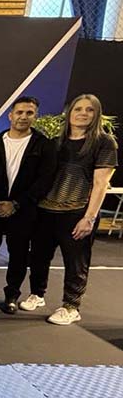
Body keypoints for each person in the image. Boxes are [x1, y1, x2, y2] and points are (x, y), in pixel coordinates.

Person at [28, 94, 117, 325]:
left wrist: (89, 218)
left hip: (77, 212)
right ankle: (37, 294)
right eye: (78, 109)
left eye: (89, 110)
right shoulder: (56, 142)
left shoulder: (104, 143)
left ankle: (71, 306)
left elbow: (100, 183)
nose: (83, 113)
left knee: (75, 262)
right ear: (69, 112)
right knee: (38, 256)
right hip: (46, 210)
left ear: (97, 114)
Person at [0, 96, 57, 311]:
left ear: (35, 116)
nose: (23, 117)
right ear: (10, 115)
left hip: (24, 210)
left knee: (19, 255)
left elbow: (45, 179)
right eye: (19, 112)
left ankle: (12, 295)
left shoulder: (43, 146)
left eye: (29, 113)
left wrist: (16, 204)